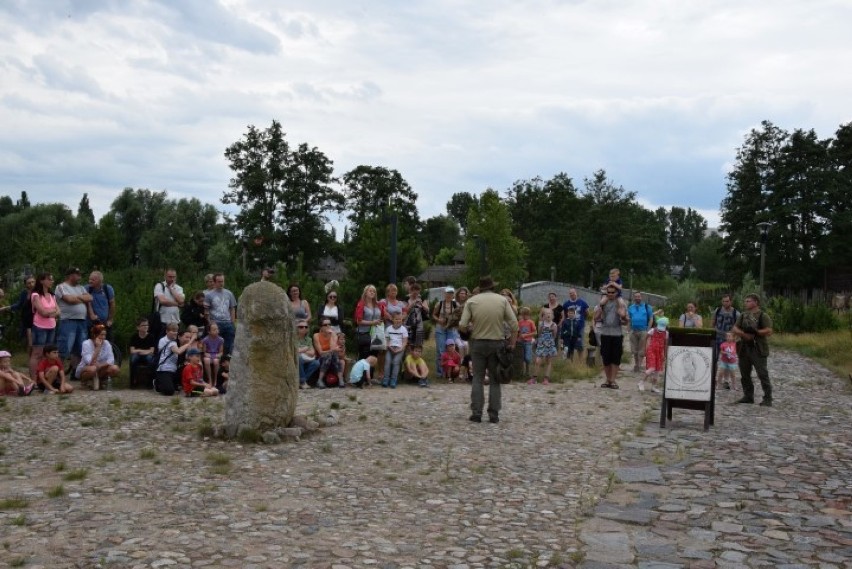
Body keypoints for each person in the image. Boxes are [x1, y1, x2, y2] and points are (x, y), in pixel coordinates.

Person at [459, 275, 519, 424]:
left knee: (477, 378)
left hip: (478, 343)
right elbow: (515, 325)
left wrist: (469, 331)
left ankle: (476, 413)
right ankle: (494, 414)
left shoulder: (471, 301)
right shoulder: (502, 300)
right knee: (495, 379)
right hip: (497, 344)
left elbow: (462, 324)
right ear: (493, 287)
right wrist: (512, 343)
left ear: (480, 288)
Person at [732, 294, 774, 406]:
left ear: (755, 302)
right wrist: (743, 334)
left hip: (757, 347)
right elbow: (735, 327)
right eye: (745, 301)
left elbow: (769, 330)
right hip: (744, 347)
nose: (746, 303)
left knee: (762, 373)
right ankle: (748, 396)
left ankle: (768, 398)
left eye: (748, 301)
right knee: (744, 373)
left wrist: (756, 332)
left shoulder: (763, 315)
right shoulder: (743, 315)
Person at [55, 267, 93, 374]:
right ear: (70, 275)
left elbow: (90, 298)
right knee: (64, 348)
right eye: (78, 275)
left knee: (80, 349)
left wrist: (76, 298)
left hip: (81, 321)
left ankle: (76, 372)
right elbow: (69, 300)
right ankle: (59, 374)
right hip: (68, 321)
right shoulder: (61, 287)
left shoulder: (81, 287)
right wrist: (81, 298)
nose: (80, 277)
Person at [29, 272, 61, 381]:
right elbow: (42, 312)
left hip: (51, 326)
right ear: (42, 281)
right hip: (39, 327)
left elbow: (59, 311)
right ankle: (33, 379)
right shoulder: (36, 295)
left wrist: (49, 312)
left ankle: (42, 378)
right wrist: (52, 312)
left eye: (52, 279)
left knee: (47, 353)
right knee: (37, 353)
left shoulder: (52, 295)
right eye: (49, 279)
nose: (51, 281)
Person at [595, 284, 627, 389]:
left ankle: (613, 380)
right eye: (608, 292)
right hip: (605, 333)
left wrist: (623, 316)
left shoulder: (621, 304)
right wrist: (600, 309)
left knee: (615, 358)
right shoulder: (603, 303)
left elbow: (626, 321)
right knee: (606, 357)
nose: (610, 294)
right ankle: (607, 379)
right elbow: (595, 318)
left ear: (616, 293)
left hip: (617, 334)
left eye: (612, 292)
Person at [155, 323, 197, 396]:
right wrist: (191, 341)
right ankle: (157, 383)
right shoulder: (167, 341)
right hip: (164, 369)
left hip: (174, 370)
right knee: (169, 391)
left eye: (176, 331)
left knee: (187, 367)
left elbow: (182, 352)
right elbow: (178, 351)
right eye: (173, 331)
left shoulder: (172, 341)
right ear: (167, 331)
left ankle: (187, 386)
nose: (175, 333)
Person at [76, 323, 120, 391]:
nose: (103, 337)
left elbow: (111, 360)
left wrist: (101, 365)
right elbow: (90, 362)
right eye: (101, 335)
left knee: (115, 368)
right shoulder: (86, 344)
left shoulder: (107, 343)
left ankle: (101, 381)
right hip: (87, 368)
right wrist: (98, 348)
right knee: (93, 369)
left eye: (105, 335)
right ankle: (84, 382)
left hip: (101, 368)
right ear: (94, 335)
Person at [205, 273, 237, 355]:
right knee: (216, 345)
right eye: (219, 281)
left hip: (228, 322)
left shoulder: (229, 293)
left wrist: (232, 322)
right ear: (214, 282)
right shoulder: (209, 295)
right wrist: (210, 323)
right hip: (215, 323)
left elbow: (232, 308)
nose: (221, 283)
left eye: (222, 281)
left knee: (230, 344)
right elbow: (206, 311)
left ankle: (228, 360)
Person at [432, 286, 459, 377]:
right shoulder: (439, 304)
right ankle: (440, 372)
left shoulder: (456, 305)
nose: (449, 295)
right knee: (441, 350)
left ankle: (449, 371)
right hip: (440, 328)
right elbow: (434, 315)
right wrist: (439, 320)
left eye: (451, 293)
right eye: (448, 293)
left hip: (451, 329)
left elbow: (459, 316)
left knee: (451, 350)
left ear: (453, 294)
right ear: (444, 293)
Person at [5, 275, 36, 352]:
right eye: (29, 283)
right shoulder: (24, 293)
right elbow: (19, 304)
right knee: (30, 342)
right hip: (27, 319)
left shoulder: (39, 292)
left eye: (33, 282)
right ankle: (31, 360)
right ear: (25, 284)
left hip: (38, 319)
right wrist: (6, 308)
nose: (31, 284)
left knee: (37, 342)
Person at [354, 284, 385, 360]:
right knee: (364, 358)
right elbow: (358, 321)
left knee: (374, 357)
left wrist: (380, 321)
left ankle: (371, 372)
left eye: (374, 291)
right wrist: (373, 322)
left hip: (376, 334)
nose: (372, 292)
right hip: (364, 334)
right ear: (365, 292)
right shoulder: (361, 304)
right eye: (370, 291)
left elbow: (382, 316)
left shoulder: (379, 304)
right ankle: (362, 372)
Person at [627, 291, 655, 372]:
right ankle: (636, 364)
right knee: (634, 349)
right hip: (633, 330)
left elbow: (651, 318)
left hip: (643, 330)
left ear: (641, 297)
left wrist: (648, 329)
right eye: (636, 296)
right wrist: (628, 329)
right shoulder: (631, 307)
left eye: (639, 296)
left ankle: (639, 365)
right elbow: (629, 319)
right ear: (634, 298)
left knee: (642, 349)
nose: (637, 298)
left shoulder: (647, 307)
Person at [640, 317, 669, 393]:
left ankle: (653, 386)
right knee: (652, 368)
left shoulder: (666, 333)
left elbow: (665, 344)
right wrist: (644, 348)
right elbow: (645, 338)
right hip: (652, 350)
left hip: (659, 352)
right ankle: (641, 382)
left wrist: (665, 355)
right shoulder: (653, 330)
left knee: (657, 370)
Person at [530, 307, 558, 385]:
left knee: (548, 361)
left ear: (553, 316)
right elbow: (539, 334)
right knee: (537, 361)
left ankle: (546, 378)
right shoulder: (541, 323)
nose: (548, 315)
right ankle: (534, 378)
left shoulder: (554, 325)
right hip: (541, 344)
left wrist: (552, 331)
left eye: (550, 313)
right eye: (546, 314)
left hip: (550, 344)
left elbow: (554, 336)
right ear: (543, 316)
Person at [154, 269, 185, 338]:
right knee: (162, 342)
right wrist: (177, 304)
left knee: (175, 343)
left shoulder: (179, 288)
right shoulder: (159, 286)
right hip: (163, 321)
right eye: (170, 277)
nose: (172, 279)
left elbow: (181, 300)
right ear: (165, 276)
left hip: (175, 321)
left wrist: (172, 289)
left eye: (174, 277)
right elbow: (163, 301)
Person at [313, 318, 344, 388]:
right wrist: (332, 351)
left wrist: (333, 335)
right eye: (325, 325)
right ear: (321, 326)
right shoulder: (316, 335)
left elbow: (333, 348)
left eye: (329, 324)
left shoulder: (333, 335)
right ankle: (320, 380)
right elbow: (320, 352)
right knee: (329, 355)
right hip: (321, 358)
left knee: (333, 355)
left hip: (333, 357)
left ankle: (341, 380)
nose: (328, 326)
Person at [85, 271, 116, 340]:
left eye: (93, 280)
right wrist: (91, 314)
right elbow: (86, 303)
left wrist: (110, 319)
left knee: (108, 342)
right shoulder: (87, 289)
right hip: (91, 323)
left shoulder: (107, 289)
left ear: (100, 281)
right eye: (89, 279)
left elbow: (112, 304)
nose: (90, 281)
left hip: (105, 323)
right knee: (92, 343)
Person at [129, 317, 157, 388]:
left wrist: (139, 350)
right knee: (133, 359)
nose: (146, 327)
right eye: (144, 325)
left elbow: (152, 351)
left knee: (150, 359)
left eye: (147, 325)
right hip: (137, 355)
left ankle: (150, 380)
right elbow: (132, 351)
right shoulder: (134, 337)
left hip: (147, 355)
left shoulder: (151, 337)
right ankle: (133, 380)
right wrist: (142, 351)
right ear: (138, 327)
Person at [382, 313, 408, 388]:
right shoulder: (388, 328)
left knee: (396, 362)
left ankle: (393, 379)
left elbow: (405, 341)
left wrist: (400, 349)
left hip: (400, 348)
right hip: (390, 347)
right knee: (387, 361)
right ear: (392, 320)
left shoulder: (403, 329)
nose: (398, 321)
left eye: (400, 319)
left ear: (402, 320)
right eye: (396, 319)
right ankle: (386, 379)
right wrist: (389, 347)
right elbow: (386, 340)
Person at [296, 319, 319, 389]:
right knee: (299, 357)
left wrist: (302, 350)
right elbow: (294, 351)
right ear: (296, 328)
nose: (304, 328)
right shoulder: (293, 338)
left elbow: (312, 353)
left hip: (306, 359)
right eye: (301, 327)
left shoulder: (309, 339)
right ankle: (303, 382)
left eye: (306, 327)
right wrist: (305, 349)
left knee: (316, 363)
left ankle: (301, 381)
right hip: (296, 359)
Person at [404, 283, 429, 348]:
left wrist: (422, 305)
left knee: (418, 344)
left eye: (417, 291)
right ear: (411, 291)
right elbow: (405, 310)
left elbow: (427, 310)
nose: (415, 293)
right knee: (408, 343)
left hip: (419, 325)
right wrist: (413, 303)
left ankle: (417, 356)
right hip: (408, 324)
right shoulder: (406, 299)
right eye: (414, 291)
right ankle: (408, 357)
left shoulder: (422, 299)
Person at [516, 307, 536, 377]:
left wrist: (526, 335)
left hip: (528, 342)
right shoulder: (520, 322)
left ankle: (528, 371)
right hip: (521, 342)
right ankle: (522, 372)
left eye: (526, 315)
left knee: (527, 357)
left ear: (529, 315)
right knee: (521, 357)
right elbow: (518, 331)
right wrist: (518, 337)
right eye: (523, 315)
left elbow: (535, 332)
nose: (524, 316)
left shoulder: (531, 322)